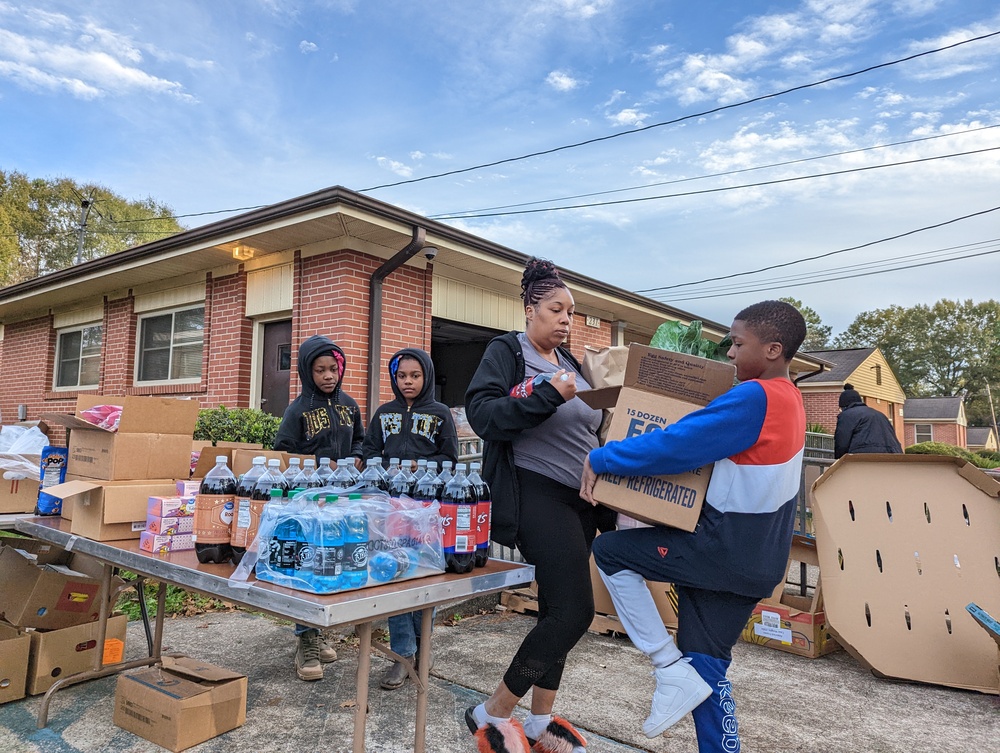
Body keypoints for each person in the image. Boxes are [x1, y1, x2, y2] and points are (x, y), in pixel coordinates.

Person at [580, 300, 808, 753]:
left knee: (609, 554)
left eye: (738, 344)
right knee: (705, 667)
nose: (729, 354)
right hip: (757, 561)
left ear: (772, 349)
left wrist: (601, 457)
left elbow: (678, 445)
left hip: (718, 548)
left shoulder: (755, 397)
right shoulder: (792, 400)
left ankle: (664, 664)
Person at [464, 258, 614, 753]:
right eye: (556, 309)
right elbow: (484, 414)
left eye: (571, 312)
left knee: (555, 609)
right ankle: (492, 712)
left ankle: (538, 720)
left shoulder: (572, 365)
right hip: (535, 491)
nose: (566, 319)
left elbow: (592, 430)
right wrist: (548, 394)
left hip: (580, 502)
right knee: (575, 610)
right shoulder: (509, 351)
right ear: (530, 308)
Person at [362, 347, 459, 690]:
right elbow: (369, 450)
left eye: (415, 376)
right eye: (402, 376)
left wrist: (419, 466)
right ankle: (402, 655)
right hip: (390, 511)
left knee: (422, 578)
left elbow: (451, 456)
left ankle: (424, 650)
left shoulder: (440, 413)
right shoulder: (384, 412)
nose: (408, 382)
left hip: (425, 513)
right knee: (394, 576)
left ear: (427, 377)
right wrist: (381, 465)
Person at [273, 334, 365, 681]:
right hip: (310, 502)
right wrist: (311, 467)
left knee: (333, 563)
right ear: (307, 372)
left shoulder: (350, 406)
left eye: (333, 369)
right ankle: (306, 639)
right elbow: (284, 451)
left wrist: (357, 456)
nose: (328, 376)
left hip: (343, 500)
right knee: (309, 564)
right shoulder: (297, 410)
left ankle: (318, 630)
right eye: (320, 370)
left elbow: (360, 439)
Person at [833, 383, 903, 458]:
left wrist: (839, 461)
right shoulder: (880, 415)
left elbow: (842, 443)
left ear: (844, 406)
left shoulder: (847, 415)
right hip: (892, 455)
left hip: (865, 457)